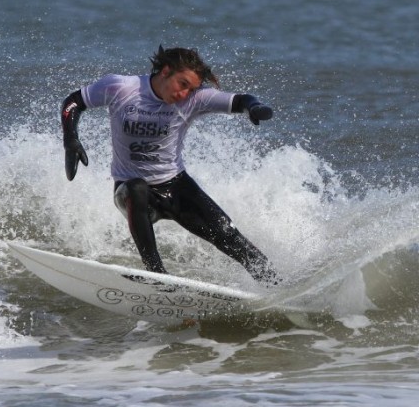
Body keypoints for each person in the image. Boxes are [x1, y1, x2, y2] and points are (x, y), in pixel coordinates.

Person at [60, 46, 277, 284]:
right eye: (182, 84)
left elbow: (240, 100)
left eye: (191, 89)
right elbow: (73, 102)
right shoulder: (121, 87)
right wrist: (70, 140)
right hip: (130, 192)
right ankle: (157, 275)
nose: (185, 94)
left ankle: (275, 285)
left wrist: (253, 107)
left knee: (229, 235)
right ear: (165, 71)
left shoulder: (194, 99)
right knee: (137, 187)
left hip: (175, 186)